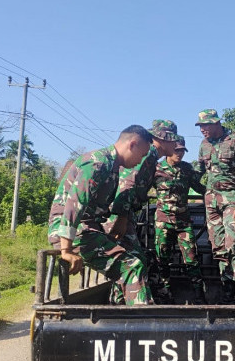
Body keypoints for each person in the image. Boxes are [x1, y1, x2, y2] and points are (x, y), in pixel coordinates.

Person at [48, 124, 154, 305]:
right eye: (142, 154)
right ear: (132, 144)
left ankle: (122, 313)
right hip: (74, 233)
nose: (141, 160)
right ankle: (142, 321)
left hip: (89, 230)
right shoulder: (98, 163)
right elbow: (74, 206)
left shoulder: (112, 166)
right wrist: (66, 250)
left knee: (136, 258)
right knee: (131, 266)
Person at [105, 119, 180, 304]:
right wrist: (122, 217)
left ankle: (120, 303)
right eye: (173, 140)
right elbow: (128, 182)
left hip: (125, 212)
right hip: (119, 215)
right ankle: (120, 306)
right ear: (162, 139)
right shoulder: (147, 155)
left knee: (132, 259)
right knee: (128, 260)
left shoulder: (152, 156)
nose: (176, 145)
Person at [194, 108, 235, 304]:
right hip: (211, 202)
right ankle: (227, 290)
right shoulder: (204, 145)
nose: (203, 130)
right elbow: (198, 171)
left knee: (234, 243)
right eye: (200, 126)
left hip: (232, 200)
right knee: (218, 247)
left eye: (206, 125)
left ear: (217, 123)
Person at [152, 136, 207, 304]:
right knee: (162, 259)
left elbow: (199, 188)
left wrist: (217, 195)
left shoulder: (187, 169)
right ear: (170, 150)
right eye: (177, 150)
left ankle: (199, 296)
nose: (180, 154)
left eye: (183, 151)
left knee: (192, 258)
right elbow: (143, 187)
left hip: (183, 222)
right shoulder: (156, 169)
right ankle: (165, 293)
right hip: (163, 221)